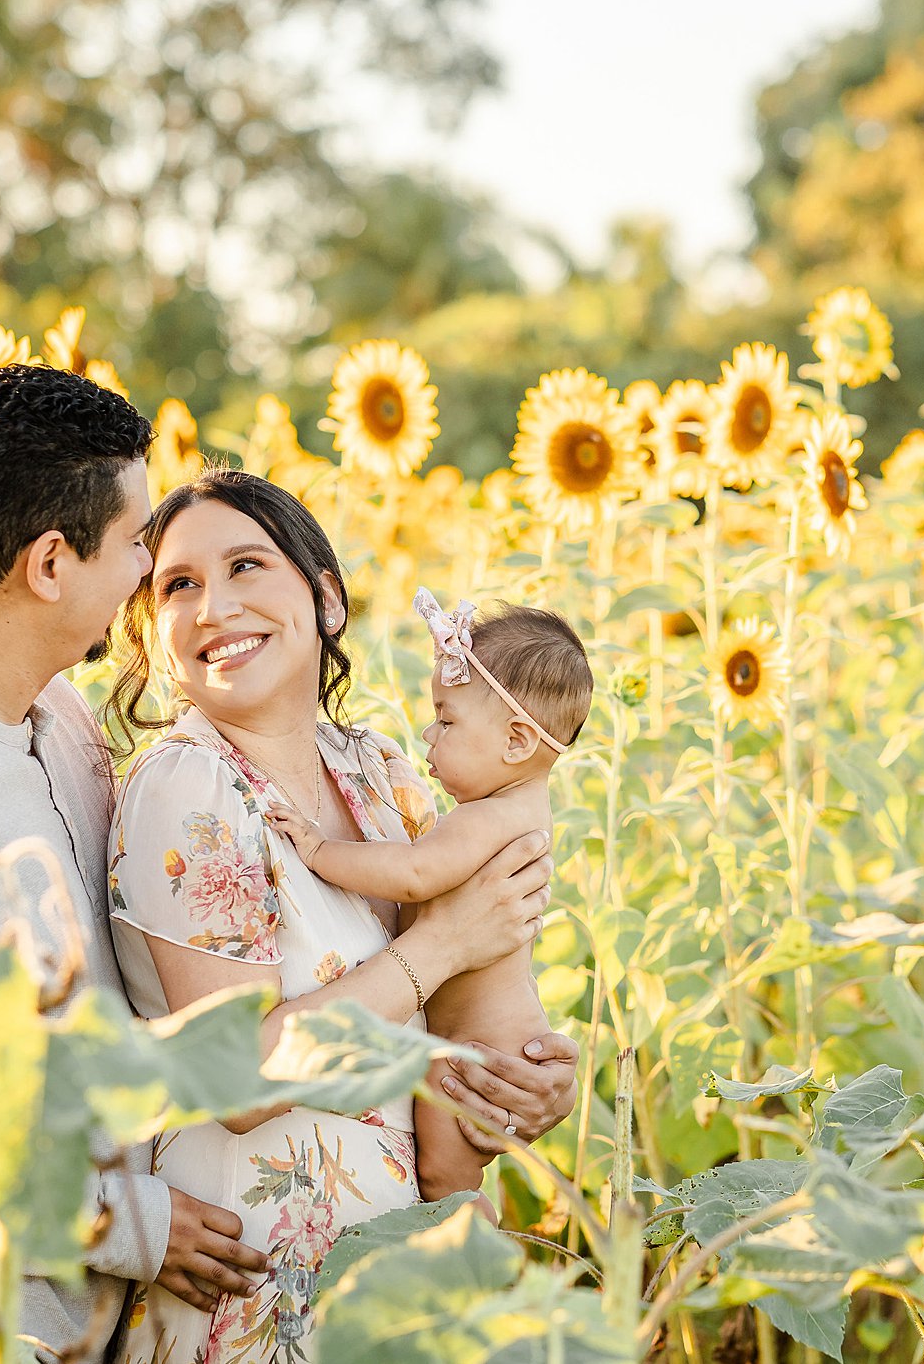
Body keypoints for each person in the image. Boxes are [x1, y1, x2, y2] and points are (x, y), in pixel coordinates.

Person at [0, 366, 571, 1359]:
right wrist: (126, 1221)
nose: (149, 587)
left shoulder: (54, 720)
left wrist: (514, 1082)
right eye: (142, 554)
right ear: (53, 564)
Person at [102, 470, 579, 1361]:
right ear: (155, 633)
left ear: (324, 599)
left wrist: (524, 1088)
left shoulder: (381, 771)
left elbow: (455, 1016)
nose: (214, 606)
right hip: (261, 1286)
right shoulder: (191, 785)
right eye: (179, 584)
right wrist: (437, 948)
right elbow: (238, 1080)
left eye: (247, 565)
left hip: (393, 1285)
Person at [265, 590, 591, 1199]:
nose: (427, 734)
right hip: (486, 1038)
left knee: (445, 1177)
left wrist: (316, 851)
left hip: (476, 1050)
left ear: (517, 742)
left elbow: (413, 874)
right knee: (448, 1174)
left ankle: (482, 1267)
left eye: (446, 720)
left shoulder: (486, 819)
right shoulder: (513, 808)